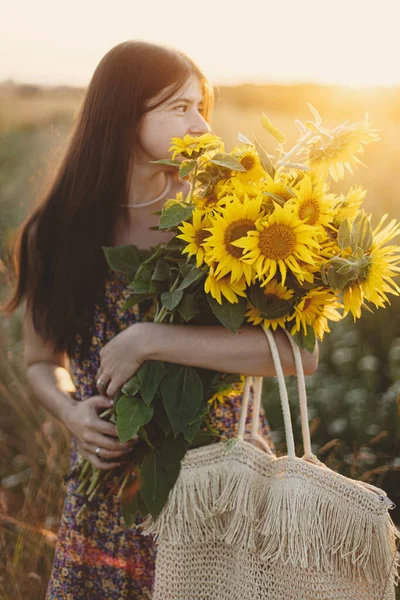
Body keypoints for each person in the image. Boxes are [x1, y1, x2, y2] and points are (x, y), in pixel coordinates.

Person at [5, 40, 318, 599]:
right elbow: (38, 361)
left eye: (203, 106)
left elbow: (301, 353)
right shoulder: (52, 233)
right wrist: (72, 413)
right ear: (123, 115)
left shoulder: (225, 218)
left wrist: (150, 340)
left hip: (220, 483)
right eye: (179, 108)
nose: (202, 126)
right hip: (109, 490)